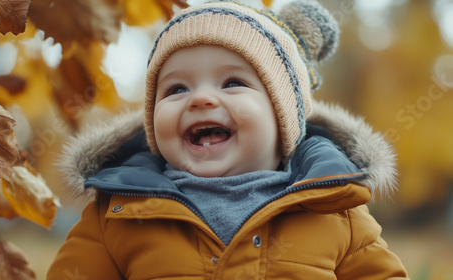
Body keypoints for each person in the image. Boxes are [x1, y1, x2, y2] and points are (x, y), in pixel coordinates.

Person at [47, 1, 408, 279]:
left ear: (283, 119)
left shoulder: (334, 209)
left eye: (232, 83)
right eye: (176, 88)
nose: (200, 99)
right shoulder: (118, 213)